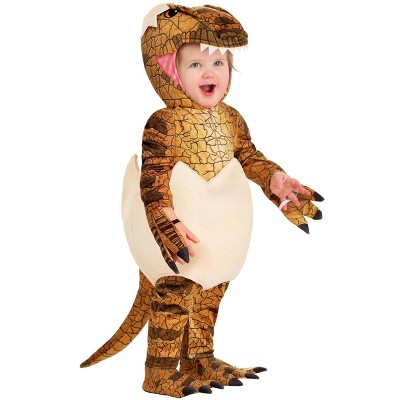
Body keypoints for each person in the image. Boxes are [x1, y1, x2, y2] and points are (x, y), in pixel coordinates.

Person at [80, 4, 324, 398]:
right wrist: (167, 221)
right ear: (171, 72)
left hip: (219, 233)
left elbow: (249, 158)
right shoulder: (163, 122)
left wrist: (276, 180)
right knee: (175, 294)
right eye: (195, 64)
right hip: (178, 235)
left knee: (209, 295)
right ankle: (159, 374)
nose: (209, 72)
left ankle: (199, 359)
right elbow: (153, 179)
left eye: (218, 63)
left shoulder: (232, 119)